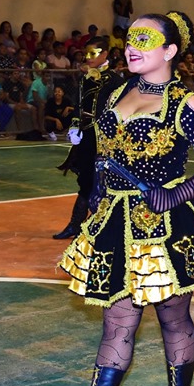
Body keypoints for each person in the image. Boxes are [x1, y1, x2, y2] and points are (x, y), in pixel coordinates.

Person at [52, 11, 194, 386]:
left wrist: (177, 195)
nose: (132, 46)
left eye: (145, 39)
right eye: (130, 37)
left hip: (167, 231)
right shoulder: (116, 92)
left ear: (170, 51)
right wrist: (96, 200)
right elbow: (100, 156)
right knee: (117, 322)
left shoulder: (183, 103)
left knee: (173, 320)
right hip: (116, 224)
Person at [52, 36, 123, 239]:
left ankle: (102, 225)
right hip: (86, 136)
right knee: (85, 180)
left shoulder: (116, 81)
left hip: (106, 137)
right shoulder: (85, 78)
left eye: (93, 53)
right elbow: (78, 105)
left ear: (105, 54)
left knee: (106, 182)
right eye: (87, 53)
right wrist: (74, 127)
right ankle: (76, 224)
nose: (88, 57)